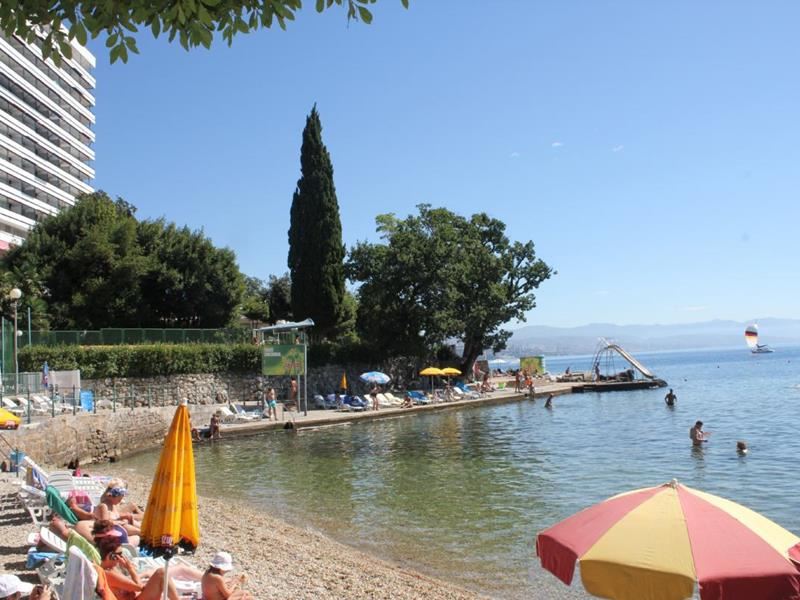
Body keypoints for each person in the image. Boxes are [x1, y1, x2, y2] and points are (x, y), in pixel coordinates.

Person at [98, 538, 181, 600]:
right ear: (111, 556)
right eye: (119, 554)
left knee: (161, 574)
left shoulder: (111, 569)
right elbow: (139, 587)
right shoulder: (108, 574)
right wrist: (130, 568)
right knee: (161, 573)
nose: (122, 557)